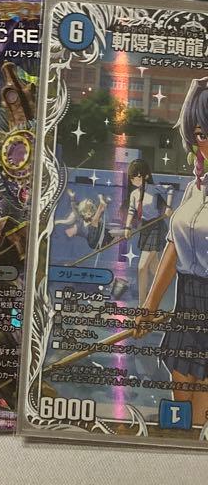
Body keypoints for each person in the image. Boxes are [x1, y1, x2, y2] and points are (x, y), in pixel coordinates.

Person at [138, 79, 208, 430]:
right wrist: (149, 307)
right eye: (201, 134)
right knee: (181, 395)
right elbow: (173, 245)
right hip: (186, 302)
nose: (205, 143)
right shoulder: (194, 189)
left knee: (202, 410)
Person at [122, 158, 173, 305]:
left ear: (146, 176)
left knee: (142, 267)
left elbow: (170, 188)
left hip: (156, 227)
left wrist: (168, 207)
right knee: (153, 266)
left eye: (137, 176)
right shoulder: (134, 194)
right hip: (145, 227)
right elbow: (131, 211)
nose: (134, 180)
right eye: (132, 177)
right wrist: (127, 227)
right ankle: (164, 286)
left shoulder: (153, 189)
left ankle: (142, 304)